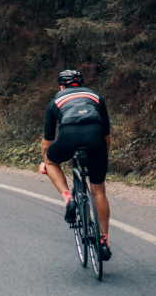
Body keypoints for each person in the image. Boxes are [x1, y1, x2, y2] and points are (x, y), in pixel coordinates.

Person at [38, 69, 112, 261]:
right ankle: (103, 240)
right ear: (81, 83)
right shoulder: (95, 96)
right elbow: (106, 135)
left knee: (51, 160)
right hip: (96, 140)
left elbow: (47, 141)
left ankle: (68, 197)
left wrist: (44, 161)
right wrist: (103, 155)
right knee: (99, 191)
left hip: (68, 137)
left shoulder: (55, 101)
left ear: (61, 86)